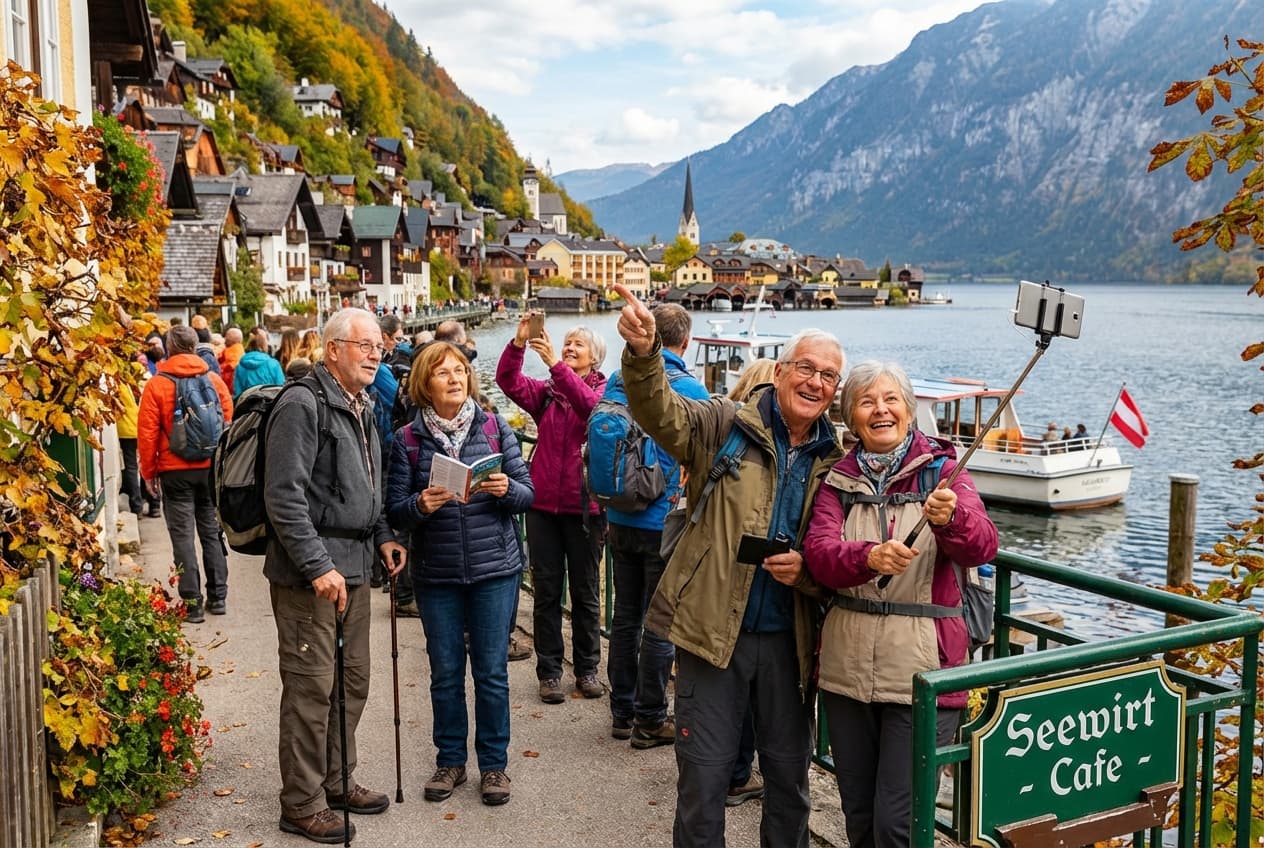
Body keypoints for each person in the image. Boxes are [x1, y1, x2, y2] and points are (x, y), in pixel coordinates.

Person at [612, 284, 842, 848]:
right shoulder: (725, 424)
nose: (815, 381)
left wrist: (806, 573)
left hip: (790, 641)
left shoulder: (837, 460)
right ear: (781, 371)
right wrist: (644, 358)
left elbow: (838, 552)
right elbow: (658, 412)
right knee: (704, 779)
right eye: (806, 368)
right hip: (714, 633)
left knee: (788, 785)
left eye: (829, 376)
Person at [802, 361, 998, 848]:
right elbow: (820, 555)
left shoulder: (946, 472)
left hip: (922, 672)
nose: (880, 410)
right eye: (867, 402)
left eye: (890, 399)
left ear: (909, 411)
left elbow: (983, 546)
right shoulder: (837, 481)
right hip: (848, 672)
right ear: (851, 417)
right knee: (861, 817)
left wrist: (952, 519)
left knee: (900, 824)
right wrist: (870, 556)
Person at [262, 308, 407, 844]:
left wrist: (386, 533)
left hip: (356, 566)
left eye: (378, 347)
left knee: (352, 682)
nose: (375, 354)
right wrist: (318, 565)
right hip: (311, 576)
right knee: (310, 686)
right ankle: (300, 804)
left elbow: (372, 482)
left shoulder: (361, 405)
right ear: (332, 350)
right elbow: (284, 496)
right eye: (364, 345)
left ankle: (337, 781)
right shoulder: (302, 404)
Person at [386, 342, 534, 807]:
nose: (454, 379)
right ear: (425, 384)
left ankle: (494, 767)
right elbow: (394, 511)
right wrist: (420, 505)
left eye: (460, 371)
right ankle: (450, 761)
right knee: (446, 673)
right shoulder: (407, 440)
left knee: (491, 673)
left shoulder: (493, 429)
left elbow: (527, 494)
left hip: (494, 568)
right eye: (443, 373)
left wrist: (507, 487)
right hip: (438, 573)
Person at [604, 304, 710, 748]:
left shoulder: (615, 380)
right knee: (659, 622)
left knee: (625, 615)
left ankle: (620, 710)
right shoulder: (691, 388)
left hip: (616, 514)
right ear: (685, 342)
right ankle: (650, 718)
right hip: (662, 521)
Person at [496, 317, 607, 704]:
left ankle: (588, 669)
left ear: (595, 358)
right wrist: (519, 342)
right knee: (545, 592)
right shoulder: (546, 393)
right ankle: (550, 673)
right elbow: (507, 381)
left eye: (578, 344)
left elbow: (590, 408)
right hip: (542, 505)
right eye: (567, 343)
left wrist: (556, 369)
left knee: (585, 593)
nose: (569, 347)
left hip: (584, 509)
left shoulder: (605, 391)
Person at [137, 325, 234, 623]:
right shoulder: (213, 380)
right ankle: (218, 596)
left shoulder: (157, 384)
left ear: (169, 348)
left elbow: (148, 433)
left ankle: (192, 603)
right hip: (208, 468)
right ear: (195, 347)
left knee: (182, 537)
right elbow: (227, 421)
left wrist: (149, 473)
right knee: (210, 531)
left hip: (173, 470)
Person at [721, 356, 779, 808]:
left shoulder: (727, 430)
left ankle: (730, 770)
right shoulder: (738, 434)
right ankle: (738, 772)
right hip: (756, 597)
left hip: (721, 589)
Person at [233, 326, 285, 398]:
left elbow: (238, 393)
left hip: (247, 405)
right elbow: (281, 388)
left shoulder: (240, 366)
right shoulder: (274, 364)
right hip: (270, 405)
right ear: (264, 345)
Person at [220, 327, 244, 395]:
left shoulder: (229, 355)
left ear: (230, 339)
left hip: (228, 393)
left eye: (227, 336)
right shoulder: (240, 353)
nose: (225, 338)